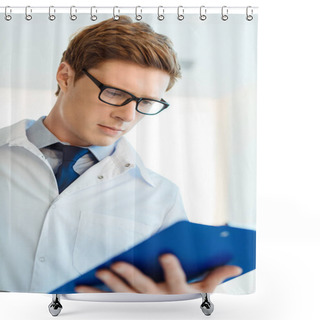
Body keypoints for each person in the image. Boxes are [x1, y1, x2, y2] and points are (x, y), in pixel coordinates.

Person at [0, 16, 241, 294]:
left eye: (146, 102)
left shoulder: (161, 197)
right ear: (65, 76)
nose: (128, 115)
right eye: (114, 93)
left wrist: (174, 306)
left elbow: (172, 290)